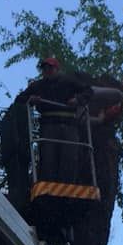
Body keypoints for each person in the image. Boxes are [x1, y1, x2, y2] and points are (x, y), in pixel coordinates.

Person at [15, 57, 93, 186]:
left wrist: (78, 99)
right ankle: (47, 184)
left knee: (69, 157)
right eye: (45, 68)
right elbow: (19, 99)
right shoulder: (38, 85)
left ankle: (68, 185)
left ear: (57, 69)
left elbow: (88, 91)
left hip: (69, 124)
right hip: (48, 125)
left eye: (50, 68)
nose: (47, 71)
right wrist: (31, 98)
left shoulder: (69, 82)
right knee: (48, 157)